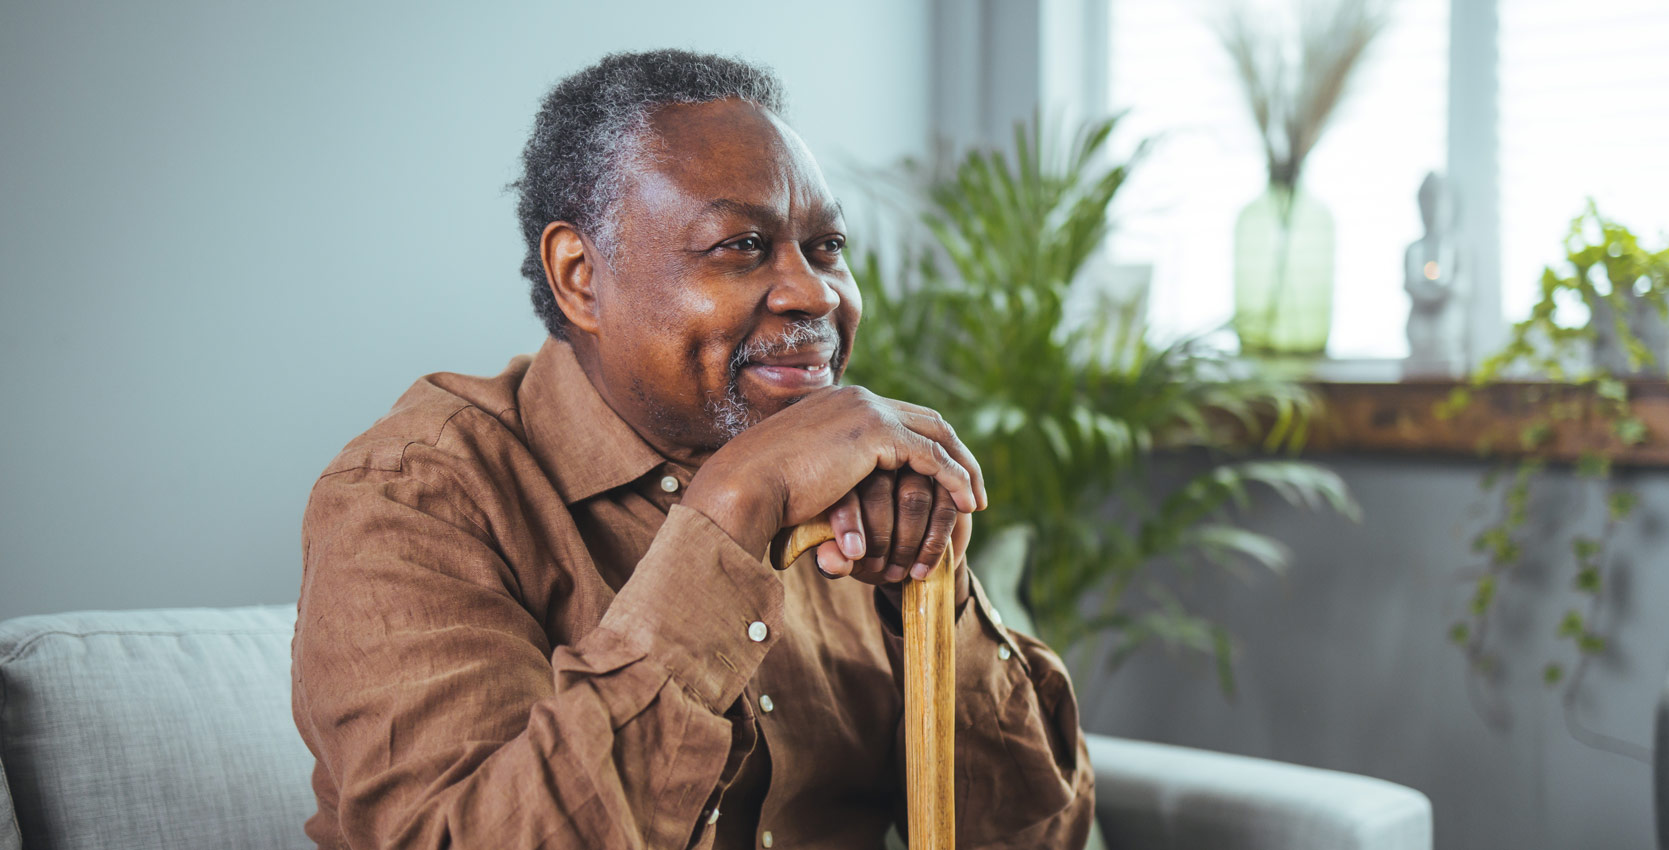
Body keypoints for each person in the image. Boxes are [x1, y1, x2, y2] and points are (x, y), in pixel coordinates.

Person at [289, 49, 1094, 850]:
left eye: (825, 246)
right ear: (579, 276)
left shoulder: (855, 480)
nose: (814, 293)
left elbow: (1038, 838)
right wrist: (734, 507)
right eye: (739, 246)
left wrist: (935, 598)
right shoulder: (413, 496)